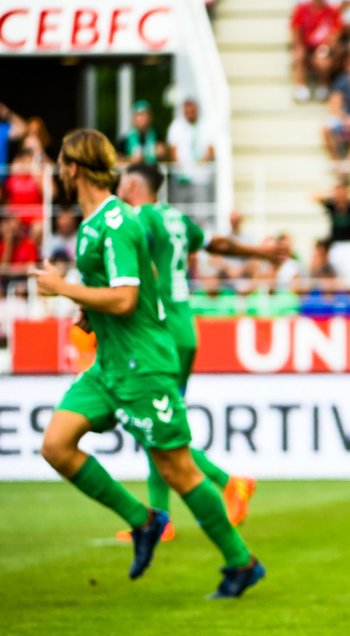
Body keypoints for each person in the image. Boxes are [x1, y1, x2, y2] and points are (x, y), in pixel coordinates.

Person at [31, 129, 265, 599]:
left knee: (177, 468)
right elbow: (138, 283)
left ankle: (241, 562)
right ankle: (144, 520)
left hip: (144, 364)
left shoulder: (116, 222)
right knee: (57, 445)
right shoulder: (95, 222)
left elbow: (125, 297)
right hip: (110, 364)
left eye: (60, 160)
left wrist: (64, 289)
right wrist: (87, 310)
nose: (57, 168)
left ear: (74, 167)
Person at [117, 162, 284, 539]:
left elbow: (141, 264)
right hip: (184, 329)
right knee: (158, 428)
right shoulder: (176, 218)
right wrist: (260, 250)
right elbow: (218, 244)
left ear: (131, 183)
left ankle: (227, 482)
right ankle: (161, 520)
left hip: (157, 332)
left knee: (157, 429)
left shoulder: (140, 217)